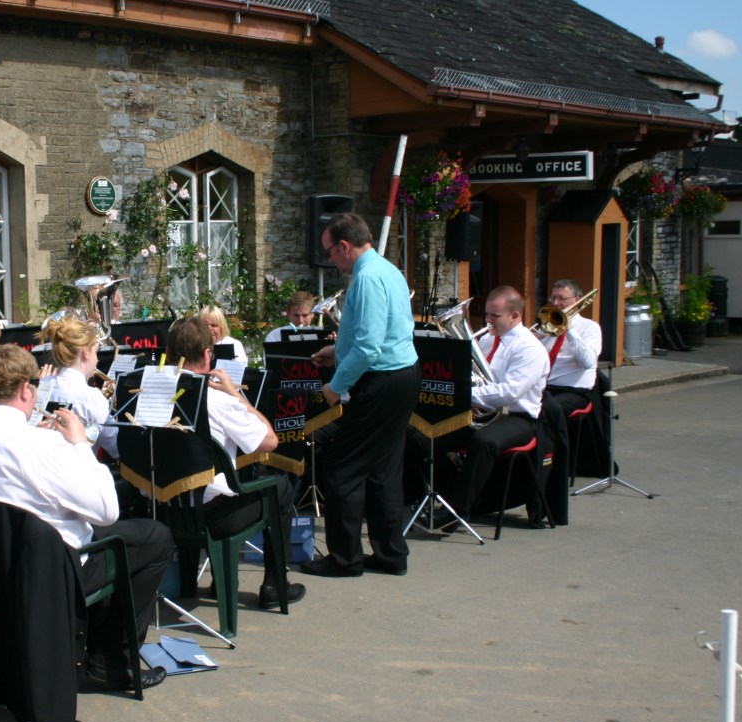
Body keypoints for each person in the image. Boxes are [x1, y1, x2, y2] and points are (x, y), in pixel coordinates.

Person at [0, 345, 173, 690]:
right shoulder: (46, 445)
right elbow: (106, 510)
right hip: (46, 570)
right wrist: (79, 444)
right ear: (26, 390)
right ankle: (110, 660)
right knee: (155, 538)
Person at [302, 213, 419, 578]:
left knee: (342, 468)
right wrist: (337, 352)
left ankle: (345, 559)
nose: (329, 260)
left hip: (381, 381)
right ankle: (390, 554)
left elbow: (369, 347)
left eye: (329, 253)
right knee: (383, 470)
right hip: (402, 375)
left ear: (344, 246)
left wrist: (335, 386)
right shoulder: (387, 269)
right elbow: (377, 333)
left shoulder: (366, 278)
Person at [166, 316, 307, 607]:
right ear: (208, 354)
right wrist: (237, 395)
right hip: (214, 517)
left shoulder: (151, 395)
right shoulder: (219, 401)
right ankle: (274, 586)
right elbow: (270, 441)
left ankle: (213, 581)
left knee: (221, 481)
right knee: (279, 488)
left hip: (165, 511)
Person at [416, 285, 549, 524]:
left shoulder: (530, 349)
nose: (488, 321)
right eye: (487, 314)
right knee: (422, 439)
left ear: (515, 316)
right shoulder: (487, 340)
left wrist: (465, 395)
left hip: (518, 418)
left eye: (495, 316)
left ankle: (458, 511)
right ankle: (453, 496)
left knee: (483, 441)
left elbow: (509, 392)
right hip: (484, 414)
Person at [38, 312, 119, 459]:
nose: (97, 360)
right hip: (78, 468)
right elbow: (115, 448)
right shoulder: (91, 397)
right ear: (85, 353)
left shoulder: (41, 385)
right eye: (96, 352)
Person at [537, 279, 601, 415]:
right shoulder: (546, 327)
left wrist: (570, 329)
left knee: (547, 409)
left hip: (573, 390)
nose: (555, 303)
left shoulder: (590, 327)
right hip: (544, 388)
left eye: (561, 298)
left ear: (577, 300)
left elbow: (588, 362)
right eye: (553, 298)